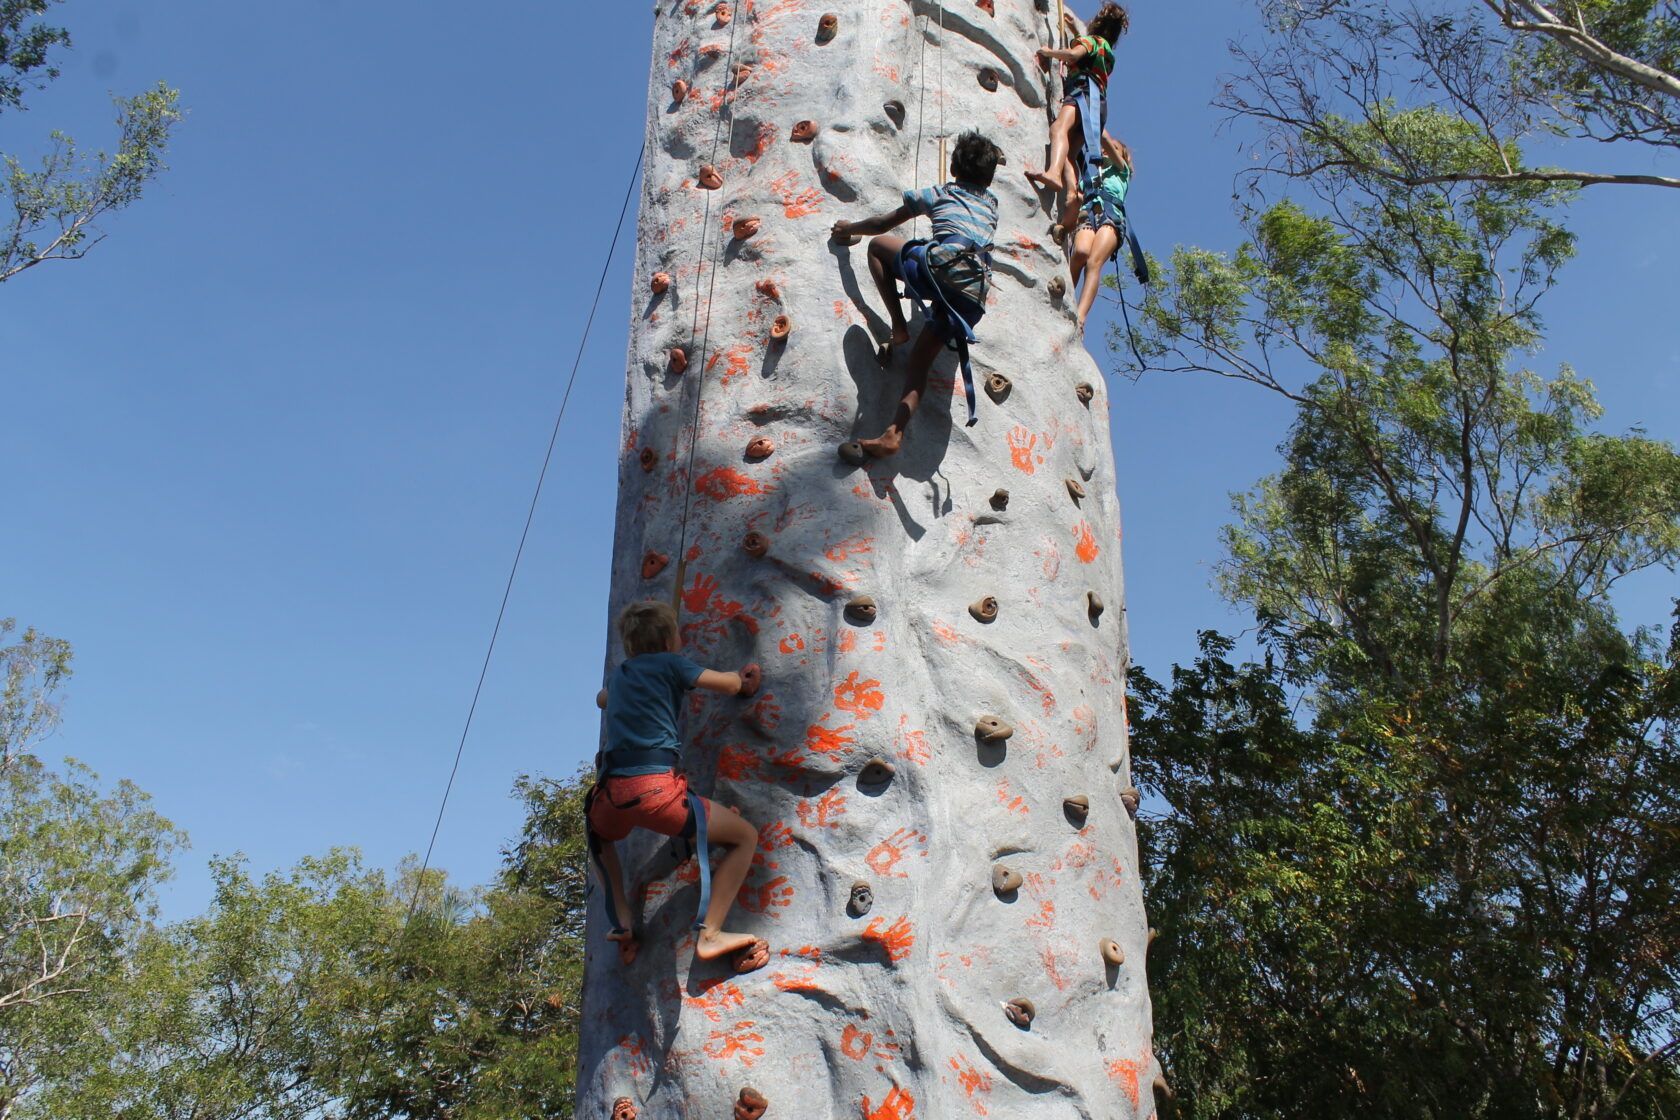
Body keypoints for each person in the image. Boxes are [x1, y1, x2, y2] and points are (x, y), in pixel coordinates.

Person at [586, 601, 768, 972]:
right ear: (672, 639)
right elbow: (728, 684)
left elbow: (601, 700)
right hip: (657, 794)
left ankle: (621, 920)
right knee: (744, 837)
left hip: (609, 795)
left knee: (600, 840)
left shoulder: (619, 676)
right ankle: (712, 932)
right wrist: (744, 680)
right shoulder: (672, 665)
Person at [830, 130, 1005, 462]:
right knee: (919, 363)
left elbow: (884, 223)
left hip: (941, 272)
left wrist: (848, 229)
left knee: (878, 248)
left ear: (954, 167)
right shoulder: (992, 204)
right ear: (989, 176)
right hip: (974, 294)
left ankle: (898, 326)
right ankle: (893, 434)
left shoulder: (940, 193)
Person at [1025, 3, 1129, 220]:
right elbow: (1089, 55)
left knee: (1058, 129)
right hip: (1098, 106)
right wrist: (1075, 32)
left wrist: (1049, 52)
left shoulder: (1090, 41)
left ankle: (1053, 173)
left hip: (1082, 93)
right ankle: (1072, 193)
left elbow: (1074, 56)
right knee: (1070, 154)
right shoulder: (1108, 54)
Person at [1070, 130, 1133, 335]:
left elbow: (1104, 138)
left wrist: (1092, 118)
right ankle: (1065, 299)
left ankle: (1080, 317)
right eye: (1106, 150)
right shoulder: (1089, 178)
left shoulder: (1121, 171)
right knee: (1080, 253)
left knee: (1093, 262)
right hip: (1087, 214)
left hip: (1110, 217)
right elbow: (1075, 195)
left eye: (1114, 149)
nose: (1107, 150)